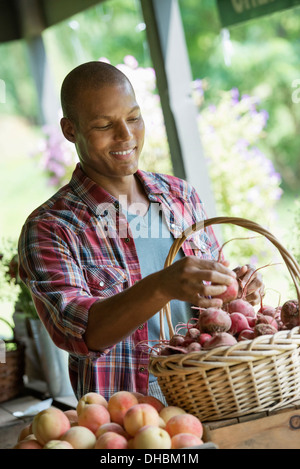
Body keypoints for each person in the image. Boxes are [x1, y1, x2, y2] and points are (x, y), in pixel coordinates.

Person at [18, 61, 263, 402]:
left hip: (215, 392)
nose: (126, 135)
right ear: (70, 130)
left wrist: (239, 295)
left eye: (133, 118)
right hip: (129, 416)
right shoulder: (51, 228)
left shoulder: (181, 196)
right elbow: (80, 334)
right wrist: (161, 285)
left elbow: (216, 301)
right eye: (104, 125)